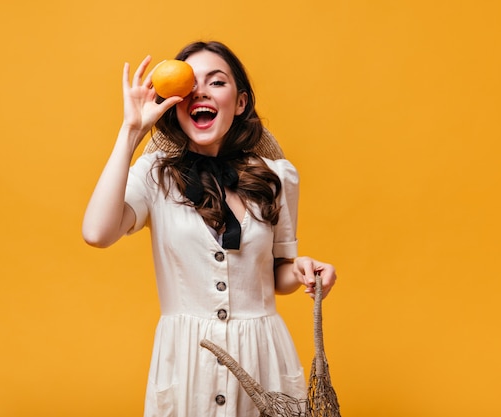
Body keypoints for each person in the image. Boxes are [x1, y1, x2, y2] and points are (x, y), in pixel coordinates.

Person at [82, 41, 337, 417]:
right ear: (176, 101)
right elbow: (97, 233)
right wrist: (131, 131)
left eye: (216, 82)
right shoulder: (155, 177)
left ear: (240, 103)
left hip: (263, 355)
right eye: (190, 85)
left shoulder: (277, 177)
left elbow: (277, 273)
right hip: (187, 362)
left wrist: (301, 270)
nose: (200, 91)